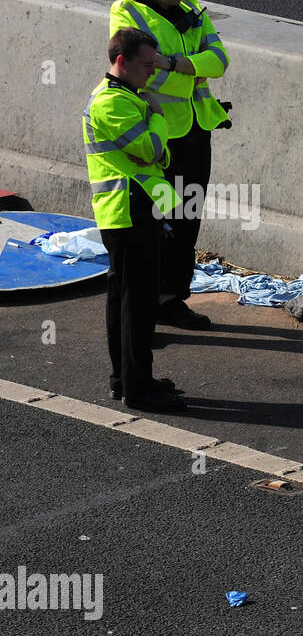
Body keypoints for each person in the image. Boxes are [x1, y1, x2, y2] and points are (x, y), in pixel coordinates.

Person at [110, 0, 230, 330]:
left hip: (196, 131)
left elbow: (219, 62)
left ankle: (172, 299)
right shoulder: (128, 15)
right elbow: (141, 71)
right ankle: (148, 306)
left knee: (186, 219)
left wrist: (176, 64)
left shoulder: (192, 9)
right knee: (158, 222)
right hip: (161, 140)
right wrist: (190, 72)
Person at [83, 27, 187, 412]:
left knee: (124, 301)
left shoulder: (125, 97)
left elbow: (151, 156)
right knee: (138, 305)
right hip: (129, 211)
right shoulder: (112, 103)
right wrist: (158, 118)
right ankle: (138, 389)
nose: (152, 72)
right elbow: (148, 149)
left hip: (130, 209)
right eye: (146, 64)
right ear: (122, 62)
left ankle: (125, 379)